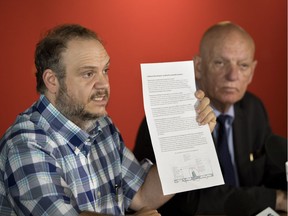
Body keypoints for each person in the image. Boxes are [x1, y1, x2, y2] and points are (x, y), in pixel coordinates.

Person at [0, 24, 216, 216]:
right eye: (88, 74)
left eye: (105, 71)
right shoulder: (25, 143)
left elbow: (143, 196)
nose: (103, 84)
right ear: (52, 81)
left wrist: (191, 135)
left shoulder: (103, 125)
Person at [133, 21, 287, 215]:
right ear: (198, 67)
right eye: (220, 63)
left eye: (243, 65)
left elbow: (271, 170)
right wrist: (277, 199)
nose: (232, 75)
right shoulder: (168, 117)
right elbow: (191, 202)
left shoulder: (253, 108)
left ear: (252, 72)